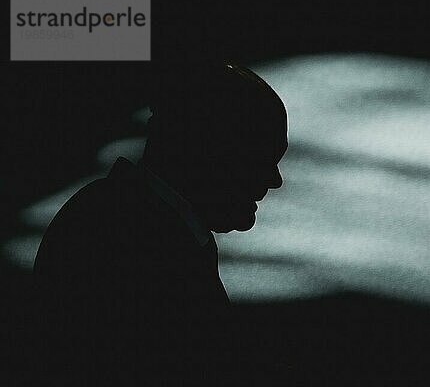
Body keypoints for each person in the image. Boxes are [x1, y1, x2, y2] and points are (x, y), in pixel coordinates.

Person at [32, 63, 288, 385]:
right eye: (261, 157)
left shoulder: (120, 224)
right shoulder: (129, 244)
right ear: (209, 151)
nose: (274, 180)